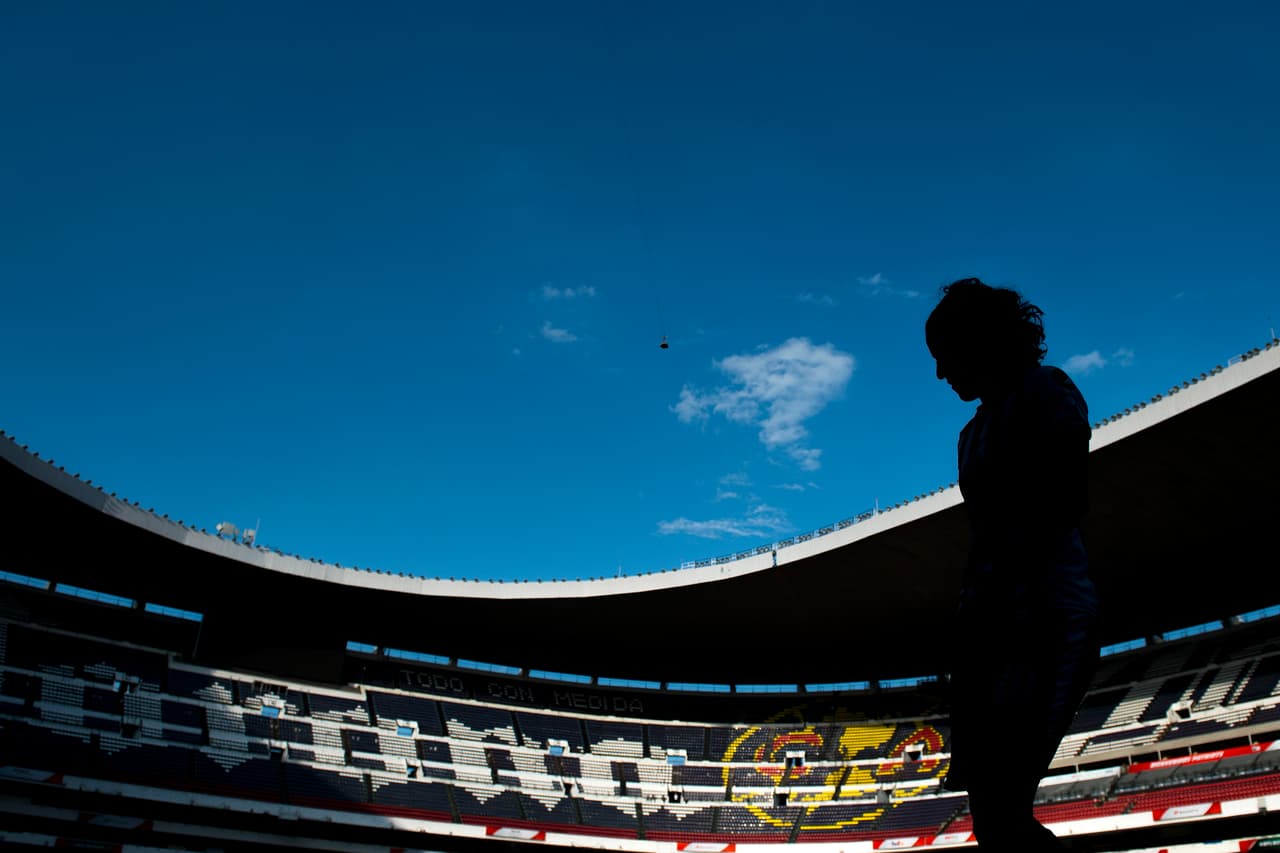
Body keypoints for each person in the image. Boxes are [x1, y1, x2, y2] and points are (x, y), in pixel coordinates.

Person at [925, 278, 1100, 852]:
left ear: (980, 342)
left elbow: (1064, 500)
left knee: (1004, 805)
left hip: (1045, 618)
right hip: (988, 629)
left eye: (944, 357)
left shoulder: (1047, 391)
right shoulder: (969, 436)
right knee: (989, 813)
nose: (940, 374)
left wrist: (1005, 593)